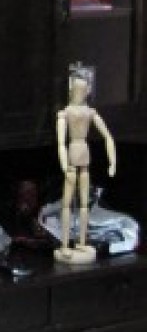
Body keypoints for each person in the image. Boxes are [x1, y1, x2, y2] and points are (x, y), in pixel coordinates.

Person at [54, 71, 116, 264]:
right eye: (76, 89)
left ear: (87, 91)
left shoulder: (90, 113)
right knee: (67, 203)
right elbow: (61, 143)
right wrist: (64, 165)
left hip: (83, 157)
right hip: (73, 156)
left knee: (83, 203)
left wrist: (112, 162)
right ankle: (65, 243)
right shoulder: (65, 113)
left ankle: (81, 241)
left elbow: (108, 136)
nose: (79, 93)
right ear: (71, 90)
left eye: (82, 89)